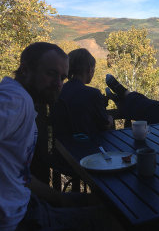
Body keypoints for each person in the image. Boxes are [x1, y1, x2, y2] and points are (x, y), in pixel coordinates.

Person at [0, 42, 120, 231]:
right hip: (19, 221)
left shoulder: (23, 99)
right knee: (119, 218)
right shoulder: (16, 100)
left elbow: (21, 176)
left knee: (107, 203)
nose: (58, 84)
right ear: (25, 69)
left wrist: (61, 199)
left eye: (62, 77)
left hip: (29, 204)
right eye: (50, 73)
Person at [52, 48, 113, 139]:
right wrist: (110, 118)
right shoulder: (93, 94)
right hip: (87, 147)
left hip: (62, 147)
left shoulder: (58, 91)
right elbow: (105, 125)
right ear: (89, 69)